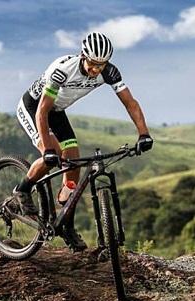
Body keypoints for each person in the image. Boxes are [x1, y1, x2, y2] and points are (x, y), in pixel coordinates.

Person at [14, 32, 153, 251]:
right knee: (52, 156)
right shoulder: (62, 70)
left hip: (57, 111)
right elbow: (42, 110)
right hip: (35, 107)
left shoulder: (109, 72)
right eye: (92, 64)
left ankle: (65, 221)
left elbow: (130, 103)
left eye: (101, 65)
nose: (96, 70)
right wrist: (48, 148)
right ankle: (22, 189)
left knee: (74, 163)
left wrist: (143, 133)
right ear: (83, 56)